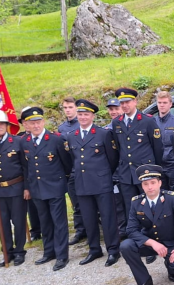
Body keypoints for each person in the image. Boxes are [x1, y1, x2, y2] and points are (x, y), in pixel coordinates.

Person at [119, 164, 174, 285]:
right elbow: (131, 229)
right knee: (126, 246)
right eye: (146, 184)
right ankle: (144, 281)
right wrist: (152, 243)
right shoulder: (136, 202)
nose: (150, 187)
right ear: (142, 186)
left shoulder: (172, 198)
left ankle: (171, 268)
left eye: (153, 182)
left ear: (160, 183)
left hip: (171, 243)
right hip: (150, 244)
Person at [65, 99, 121, 267]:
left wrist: (103, 174)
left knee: (108, 218)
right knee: (88, 219)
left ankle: (113, 250)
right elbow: (72, 160)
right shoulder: (71, 136)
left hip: (102, 182)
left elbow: (113, 159)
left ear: (92, 116)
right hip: (82, 184)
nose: (82, 117)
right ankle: (94, 249)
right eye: (80, 114)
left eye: (86, 114)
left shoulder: (103, 134)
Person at [21, 107, 73, 271]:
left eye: (38, 122)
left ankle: (62, 255)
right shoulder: (25, 141)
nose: (36, 126)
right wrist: (27, 187)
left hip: (55, 186)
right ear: (27, 125)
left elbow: (67, 164)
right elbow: (25, 167)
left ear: (43, 122)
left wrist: (62, 182)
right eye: (32, 123)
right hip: (37, 188)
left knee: (59, 222)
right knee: (45, 222)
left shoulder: (55, 139)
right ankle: (49, 251)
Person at [110, 86, 164, 241]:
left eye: (127, 102)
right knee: (131, 208)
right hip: (126, 174)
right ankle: (137, 239)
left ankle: (153, 238)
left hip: (145, 173)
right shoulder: (117, 123)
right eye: (122, 103)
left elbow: (157, 148)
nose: (125, 105)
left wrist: (155, 170)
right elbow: (119, 148)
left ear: (135, 101)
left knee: (149, 207)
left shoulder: (147, 121)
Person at [0, 110, 28, 267]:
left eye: (1, 124)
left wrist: (26, 188)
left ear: (6, 125)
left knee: (18, 221)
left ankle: (19, 251)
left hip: (16, 187)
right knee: (2, 223)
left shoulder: (17, 142)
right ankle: (7, 252)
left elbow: (26, 167)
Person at [58, 96, 86, 245]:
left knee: (88, 201)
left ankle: (93, 227)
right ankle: (80, 230)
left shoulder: (82, 124)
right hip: (70, 170)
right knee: (75, 203)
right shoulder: (62, 128)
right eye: (65, 108)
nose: (68, 110)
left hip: (85, 169)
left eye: (70, 107)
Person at [105, 98, 127, 240]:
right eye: (111, 109)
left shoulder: (127, 125)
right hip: (115, 173)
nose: (113, 112)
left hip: (127, 171)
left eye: (116, 108)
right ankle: (122, 231)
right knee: (118, 204)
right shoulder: (106, 129)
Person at [18, 107, 41, 241]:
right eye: (25, 121)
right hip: (28, 178)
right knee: (31, 206)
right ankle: (36, 229)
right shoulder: (19, 139)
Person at [153, 90, 174, 190]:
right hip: (157, 166)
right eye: (159, 102)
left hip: (173, 166)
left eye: (165, 102)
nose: (162, 105)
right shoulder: (152, 122)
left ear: (170, 104)